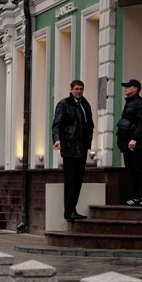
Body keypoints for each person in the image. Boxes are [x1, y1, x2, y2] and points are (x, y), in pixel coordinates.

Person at [51, 79, 95, 222]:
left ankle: (73, 209)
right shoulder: (64, 104)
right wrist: (57, 140)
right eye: (76, 89)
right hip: (70, 148)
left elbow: (89, 124)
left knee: (78, 180)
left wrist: (88, 141)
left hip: (82, 148)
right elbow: (56, 124)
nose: (79, 91)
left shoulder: (85, 104)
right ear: (71, 89)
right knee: (70, 181)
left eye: (81, 89)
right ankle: (68, 211)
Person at [117, 78, 142, 206]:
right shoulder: (130, 102)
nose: (125, 88)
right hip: (127, 143)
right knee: (131, 170)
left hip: (135, 144)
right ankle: (135, 196)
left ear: (135, 89)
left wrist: (134, 139)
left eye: (128, 86)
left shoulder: (140, 103)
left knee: (139, 170)